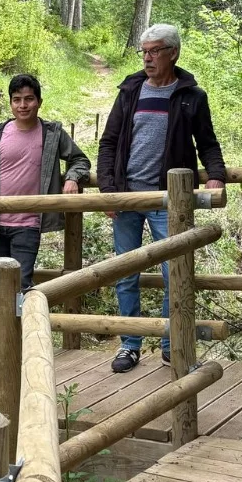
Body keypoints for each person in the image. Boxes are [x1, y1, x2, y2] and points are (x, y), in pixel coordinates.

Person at [96, 23, 227, 373]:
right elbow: (108, 142)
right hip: (126, 198)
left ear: (173, 53)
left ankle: (173, 345)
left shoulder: (191, 96)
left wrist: (215, 174)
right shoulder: (130, 91)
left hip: (170, 201)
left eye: (154, 51)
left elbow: (207, 143)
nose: (147, 58)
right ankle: (130, 344)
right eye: (144, 51)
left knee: (176, 273)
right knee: (125, 273)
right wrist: (107, 190)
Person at [0, 74, 90, 292]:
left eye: (29, 99)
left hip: (28, 224)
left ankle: (22, 315)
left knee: (21, 284)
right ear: (10, 103)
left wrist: (72, 177)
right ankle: (3, 316)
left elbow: (80, 159)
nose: (23, 105)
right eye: (17, 100)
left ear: (39, 102)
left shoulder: (52, 134)